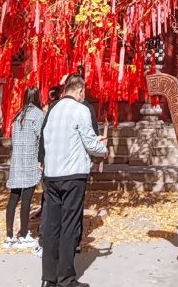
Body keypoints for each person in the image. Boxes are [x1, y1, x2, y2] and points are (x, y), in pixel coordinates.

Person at [40, 73, 107, 287]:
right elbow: (90, 142)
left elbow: (47, 139)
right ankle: (66, 278)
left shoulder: (53, 110)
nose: (83, 97)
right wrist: (102, 148)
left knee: (52, 226)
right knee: (70, 225)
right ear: (79, 91)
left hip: (52, 174)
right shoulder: (81, 110)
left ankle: (49, 277)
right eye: (83, 93)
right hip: (72, 174)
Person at [6, 86, 45, 254]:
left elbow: (13, 137)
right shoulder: (38, 115)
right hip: (30, 160)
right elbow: (42, 137)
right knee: (27, 198)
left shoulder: (18, 115)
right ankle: (23, 234)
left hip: (17, 160)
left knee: (14, 197)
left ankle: (9, 235)